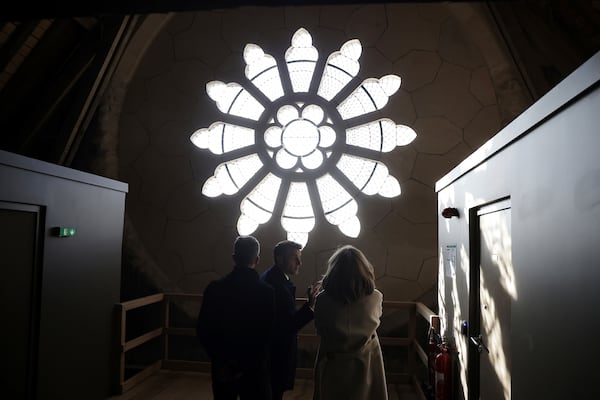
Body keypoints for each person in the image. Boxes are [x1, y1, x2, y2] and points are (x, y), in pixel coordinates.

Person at [196, 235, 275, 400]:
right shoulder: (266, 292)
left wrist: (222, 361)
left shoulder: (215, 289)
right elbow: (266, 333)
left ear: (234, 257)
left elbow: (203, 330)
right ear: (257, 259)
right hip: (254, 370)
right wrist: (246, 365)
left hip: (223, 368)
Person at [313, 245, 388, 400]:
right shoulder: (375, 298)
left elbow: (320, 328)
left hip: (333, 365)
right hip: (366, 363)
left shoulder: (322, 299)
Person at [260, 240, 320, 400]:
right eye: (295, 258)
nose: (300, 262)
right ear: (280, 259)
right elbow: (287, 326)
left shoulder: (271, 278)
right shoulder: (277, 286)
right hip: (276, 356)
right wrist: (310, 307)